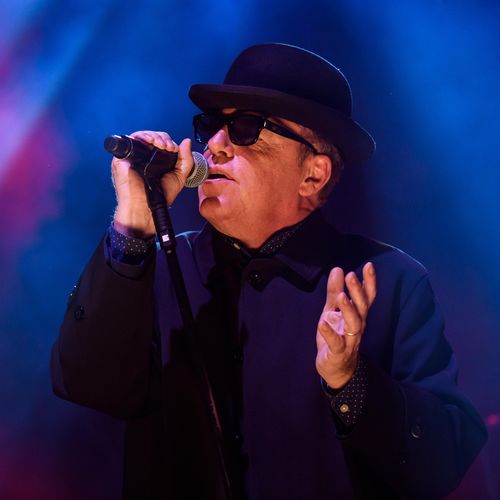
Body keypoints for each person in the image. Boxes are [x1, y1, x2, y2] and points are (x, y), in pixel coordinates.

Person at [51, 43, 487, 499]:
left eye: (246, 128)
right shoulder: (150, 266)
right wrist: (134, 220)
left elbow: (440, 466)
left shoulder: (388, 282)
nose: (214, 146)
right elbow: (83, 383)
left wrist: (350, 383)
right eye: (211, 126)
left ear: (313, 175)